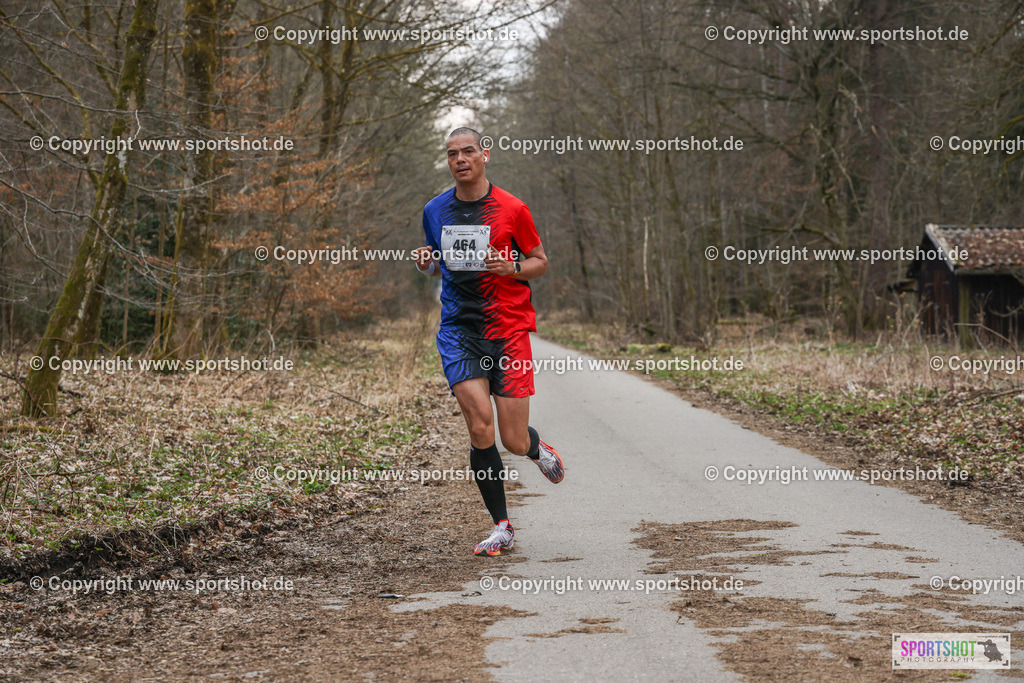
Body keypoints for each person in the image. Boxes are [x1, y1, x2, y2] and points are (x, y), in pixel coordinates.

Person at [413, 127, 564, 556]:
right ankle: (502, 526)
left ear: (485, 155)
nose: (460, 159)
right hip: (459, 330)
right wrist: (425, 264)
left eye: (467, 152)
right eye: (451, 154)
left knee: (512, 439)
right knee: (481, 425)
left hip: (508, 329)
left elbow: (540, 262)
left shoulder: (513, 208)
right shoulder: (434, 209)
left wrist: (510, 266)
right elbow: (437, 262)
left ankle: (536, 448)